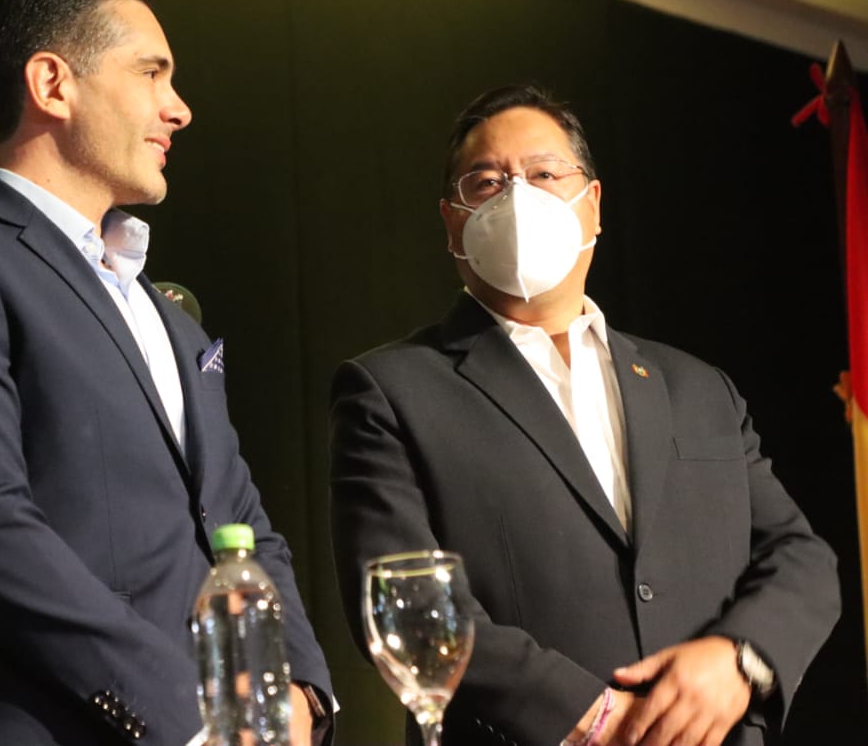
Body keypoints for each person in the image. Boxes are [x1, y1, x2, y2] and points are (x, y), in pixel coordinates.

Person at [0, 0, 332, 746]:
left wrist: (298, 692)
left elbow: (240, 518)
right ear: (52, 83)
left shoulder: (170, 316)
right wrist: (194, 716)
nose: (179, 107)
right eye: (151, 72)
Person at [329, 83, 839, 746]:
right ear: (452, 221)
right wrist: (599, 720)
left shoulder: (698, 387)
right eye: (487, 182)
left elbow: (801, 556)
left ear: (592, 204)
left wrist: (739, 659)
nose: (518, 197)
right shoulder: (391, 390)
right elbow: (407, 607)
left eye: (544, 174)